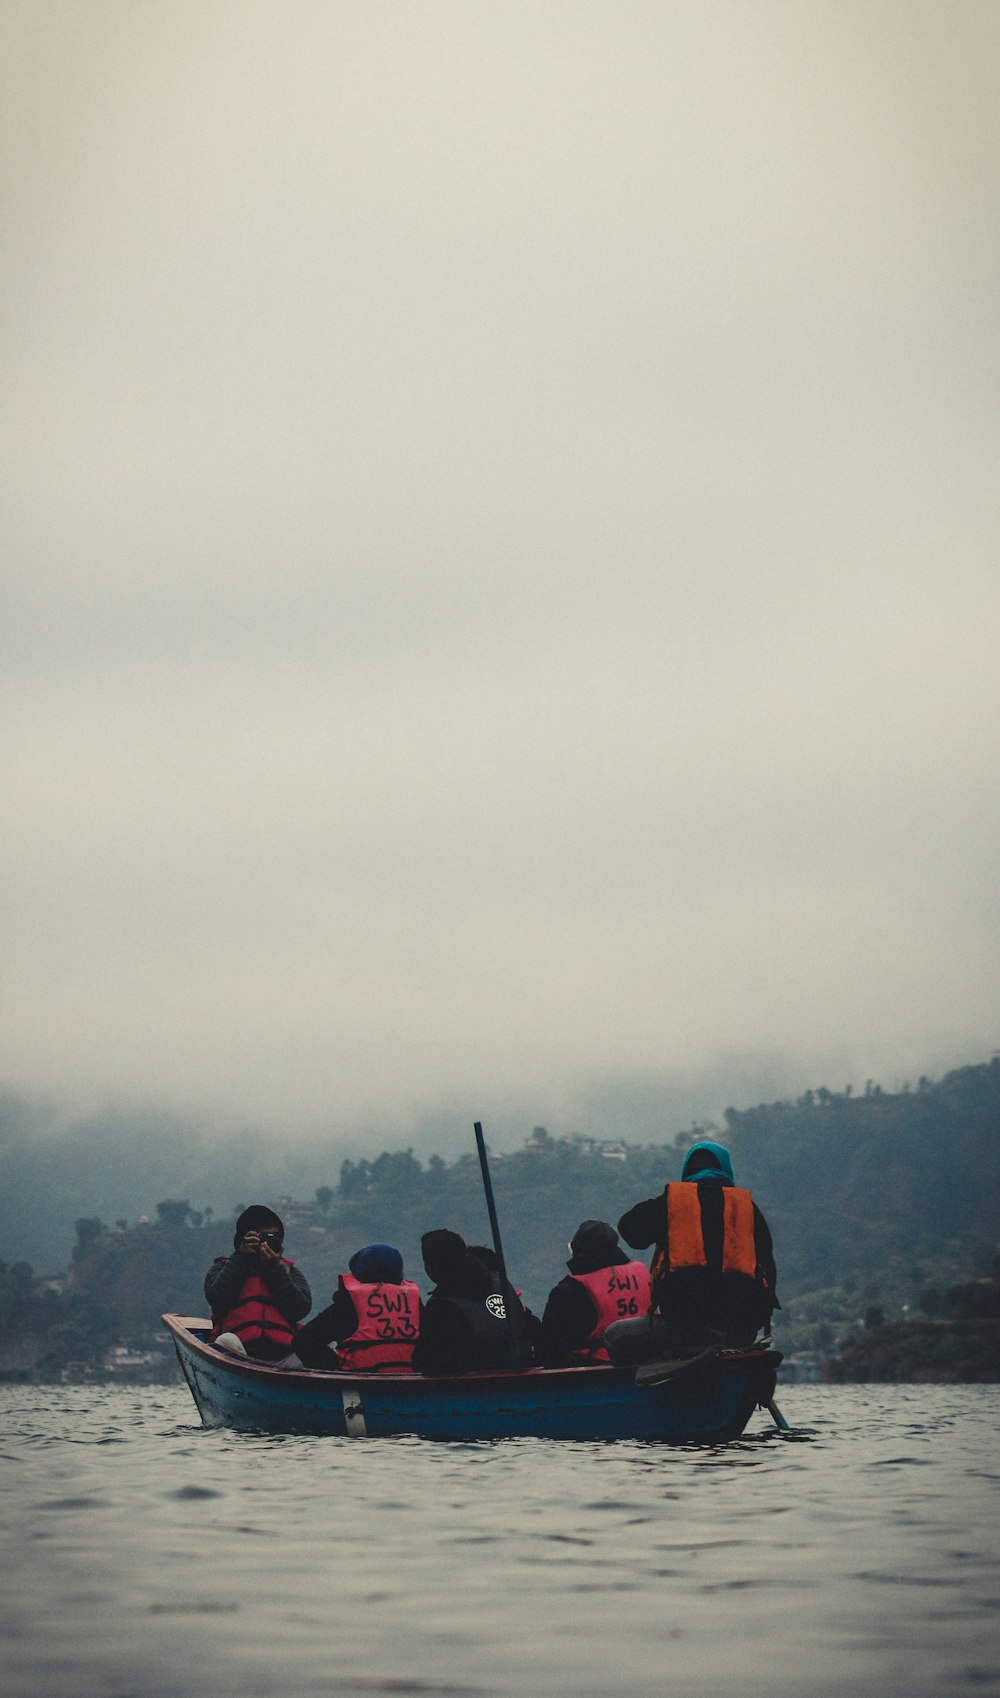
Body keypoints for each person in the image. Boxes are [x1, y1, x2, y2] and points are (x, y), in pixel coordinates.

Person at [610, 1141, 777, 1361]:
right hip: (741, 1333)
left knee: (614, 1335)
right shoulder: (748, 1210)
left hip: (685, 1329)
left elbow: (630, 1231)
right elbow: (769, 1275)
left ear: (687, 1170)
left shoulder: (672, 1203)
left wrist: (665, 1203)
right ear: (726, 1169)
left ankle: (669, 1368)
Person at [412, 1230, 535, 1375]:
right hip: (523, 1379)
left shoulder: (441, 1306)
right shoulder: (501, 1282)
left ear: (430, 1268)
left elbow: (427, 1364)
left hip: (476, 1389)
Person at [205, 1206, 312, 1361]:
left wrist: (274, 1269)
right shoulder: (222, 1268)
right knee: (226, 1340)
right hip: (237, 1355)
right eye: (262, 1237)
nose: (266, 1243)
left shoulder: (289, 1272)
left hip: (285, 1359)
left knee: (326, 1345)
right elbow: (218, 1299)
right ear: (244, 1239)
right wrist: (241, 1257)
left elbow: (300, 1309)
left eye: (273, 1237)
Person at [539, 1219, 652, 1366]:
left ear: (576, 1250)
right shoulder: (645, 1277)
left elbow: (549, 1349)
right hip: (648, 1361)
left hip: (594, 1371)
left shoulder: (567, 1292)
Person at [294, 1244, 421, 1372]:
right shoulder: (414, 1302)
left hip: (360, 1383)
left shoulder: (349, 1304)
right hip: (410, 1383)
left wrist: (334, 1366)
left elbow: (303, 1341)